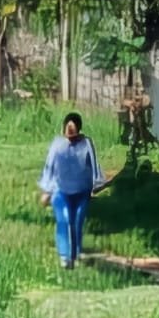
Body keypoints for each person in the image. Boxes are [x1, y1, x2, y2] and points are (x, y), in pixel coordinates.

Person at [38, 112, 106, 269]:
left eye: (73, 128)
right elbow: (49, 167)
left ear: (79, 129)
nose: (69, 131)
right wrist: (47, 191)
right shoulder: (57, 144)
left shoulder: (87, 144)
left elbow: (94, 166)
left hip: (82, 191)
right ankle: (64, 256)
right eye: (67, 127)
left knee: (77, 222)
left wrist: (96, 185)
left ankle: (74, 254)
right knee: (64, 220)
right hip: (60, 191)